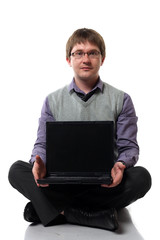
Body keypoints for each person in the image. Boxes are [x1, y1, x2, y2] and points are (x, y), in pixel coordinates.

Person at [8, 28, 151, 231]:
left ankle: (52, 208)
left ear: (102, 58)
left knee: (142, 178)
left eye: (93, 53)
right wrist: (37, 163)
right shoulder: (52, 100)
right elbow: (42, 144)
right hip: (62, 180)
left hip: (104, 181)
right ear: (69, 59)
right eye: (79, 53)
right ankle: (82, 214)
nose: (86, 59)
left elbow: (129, 148)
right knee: (16, 170)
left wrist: (119, 165)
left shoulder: (122, 99)